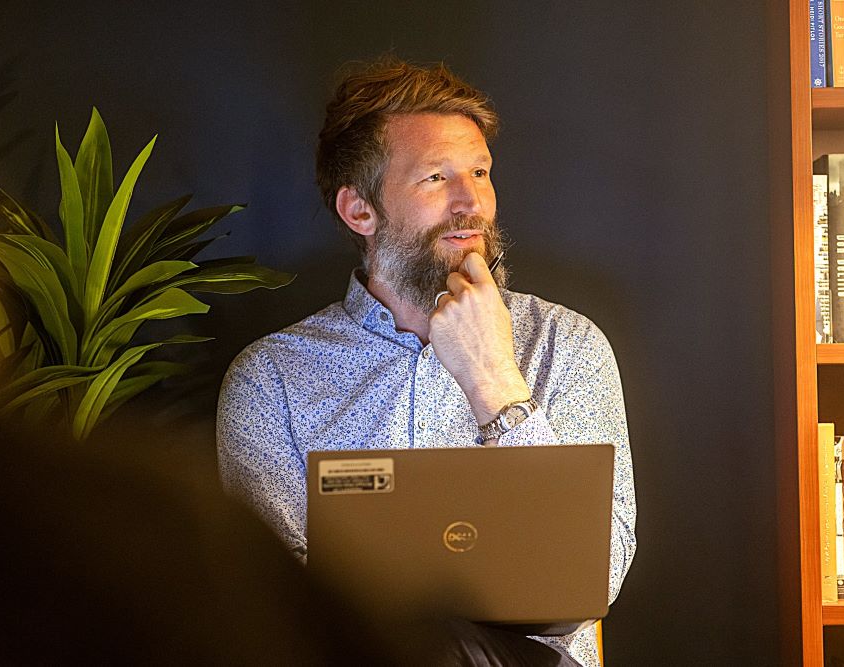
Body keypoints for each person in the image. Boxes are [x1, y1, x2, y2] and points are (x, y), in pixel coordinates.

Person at [217, 56, 636, 666]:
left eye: (481, 173)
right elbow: (283, 604)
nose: (472, 202)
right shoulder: (272, 381)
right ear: (359, 210)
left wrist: (495, 384)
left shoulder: (569, 348)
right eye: (436, 179)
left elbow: (596, 575)